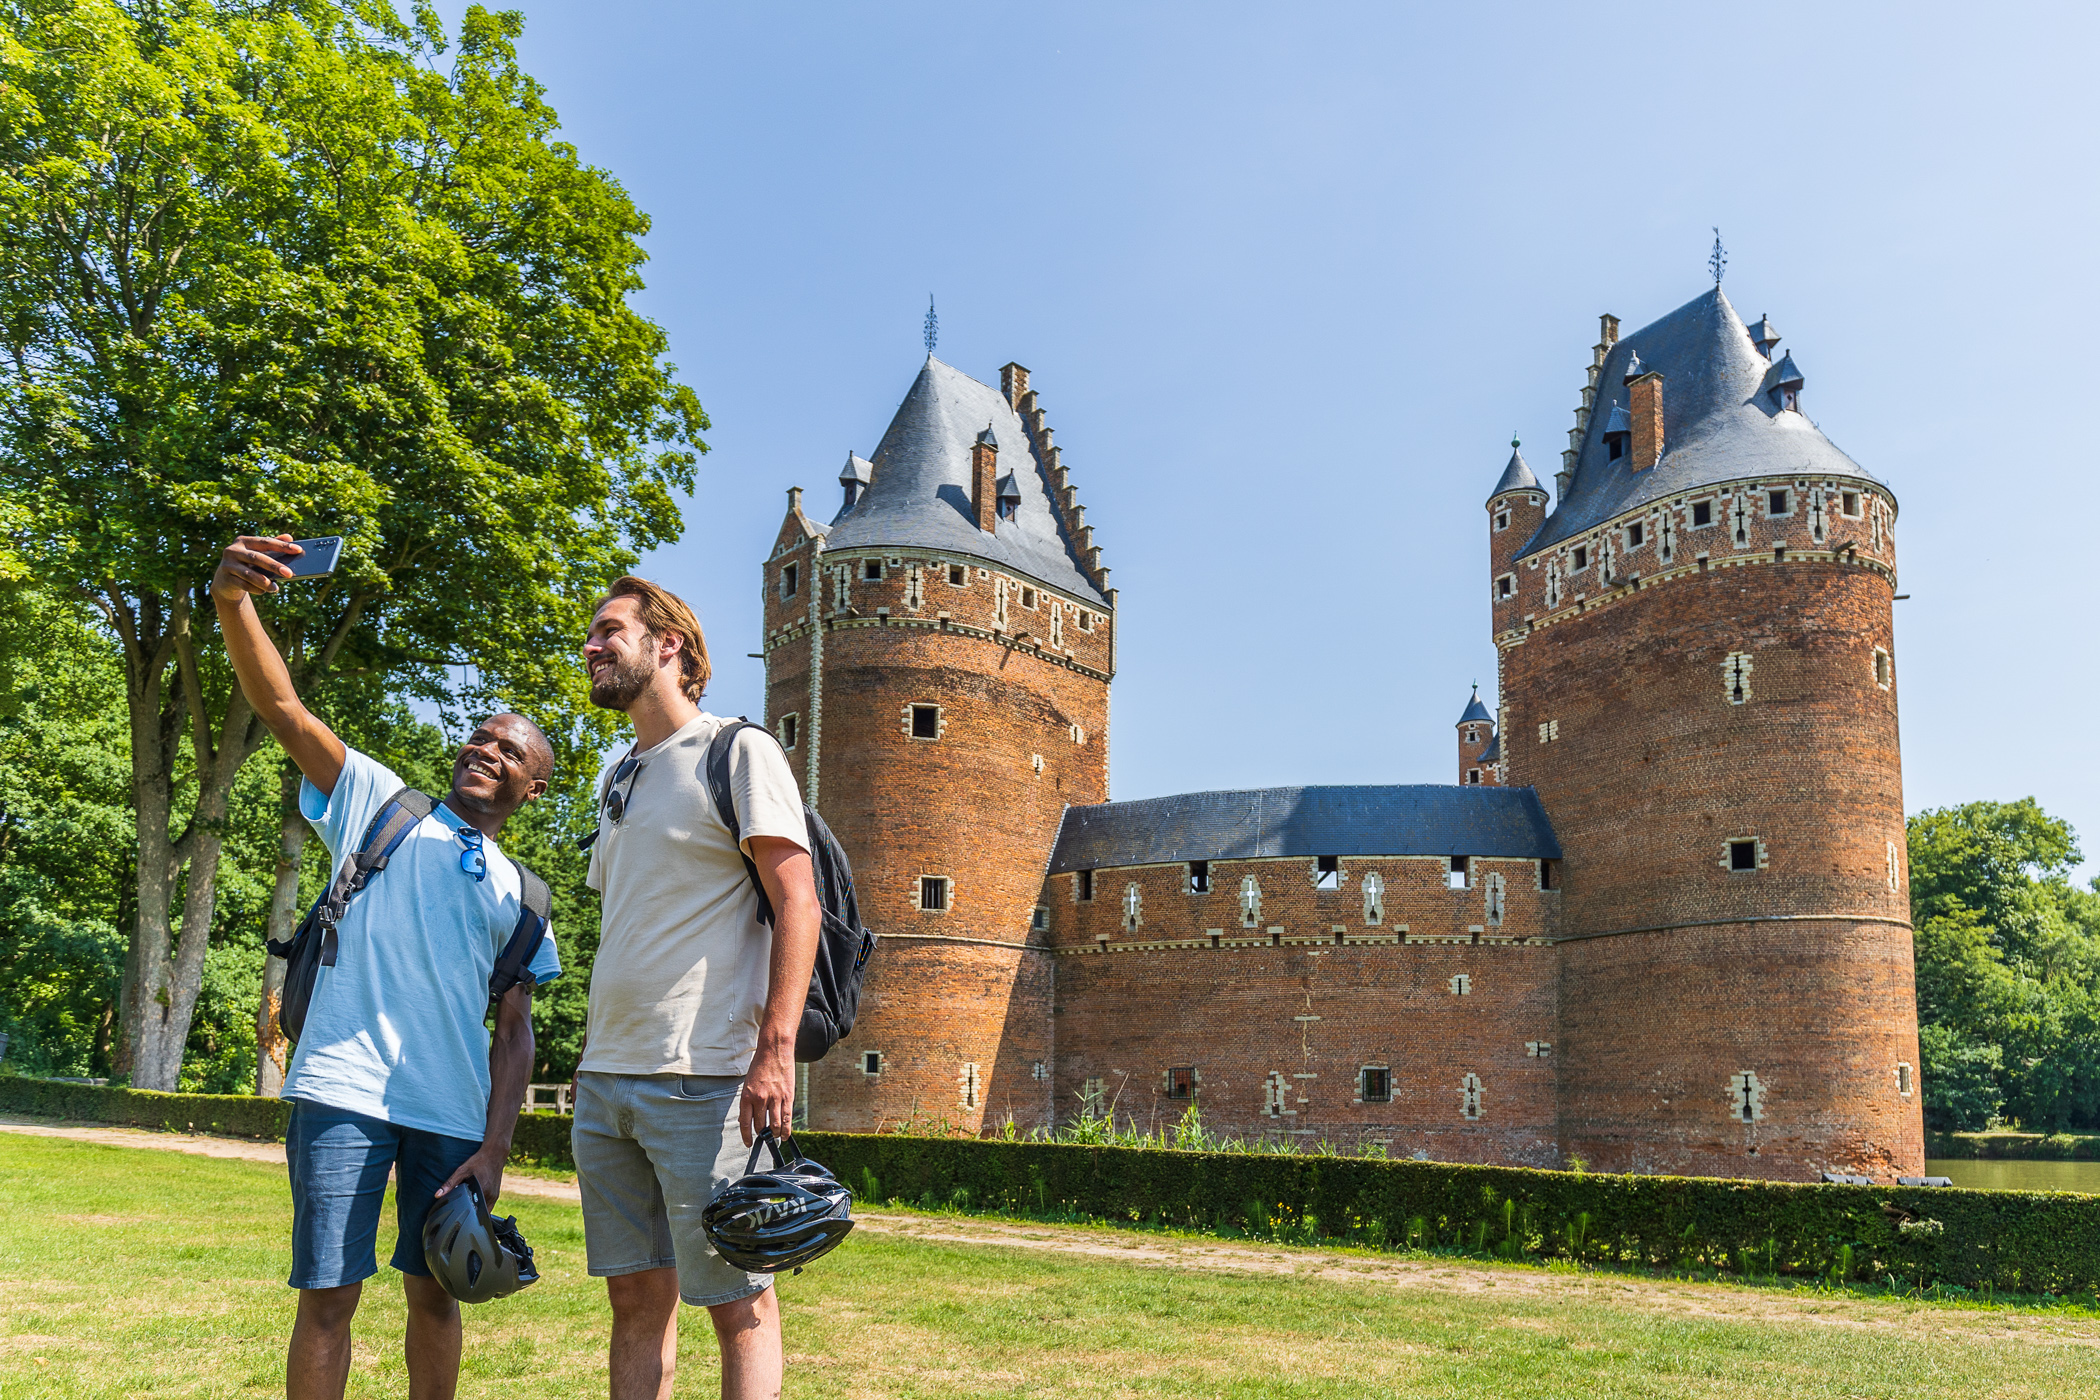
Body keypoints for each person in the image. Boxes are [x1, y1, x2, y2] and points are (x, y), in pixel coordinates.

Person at [212, 534, 562, 1400]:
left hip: (447, 1114)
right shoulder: (383, 803)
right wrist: (233, 601)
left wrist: (496, 1148)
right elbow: (285, 709)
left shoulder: (528, 897)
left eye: (509, 749)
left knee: (437, 1298)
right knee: (329, 1296)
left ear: (535, 787)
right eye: (479, 736)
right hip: (342, 1087)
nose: (486, 749)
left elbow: (513, 1036)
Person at [573, 576, 821, 1400]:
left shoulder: (736, 751)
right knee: (635, 1300)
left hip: (705, 1076)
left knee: (738, 1299)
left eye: (610, 630)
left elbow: (799, 903)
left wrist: (774, 1052)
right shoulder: (618, 779)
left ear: (667, 644)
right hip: (606, 1078)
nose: (591, 646)